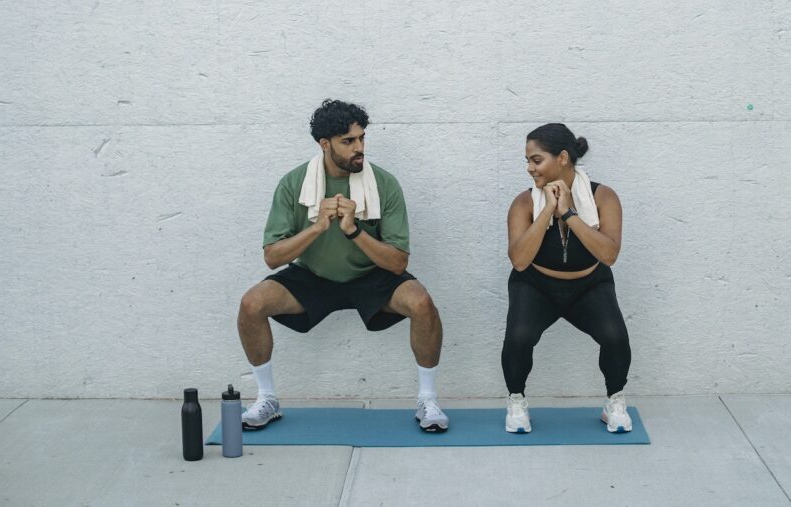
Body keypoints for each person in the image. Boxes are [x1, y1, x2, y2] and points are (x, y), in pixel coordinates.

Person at [237, 99, 449, 432]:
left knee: (422, 304)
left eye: (362, 138)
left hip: (371, 276)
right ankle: (267, 399)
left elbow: (397, 262)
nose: (359, 148)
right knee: (252, 304)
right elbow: (273, 256)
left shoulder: (384, 183)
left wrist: (352, 230)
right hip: (313, 276)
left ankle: (428, 400)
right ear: (325, 144)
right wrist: (318, 227)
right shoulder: (293, 184)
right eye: (348, 141)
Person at [501, 123, 632, 433]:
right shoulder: (523, 203)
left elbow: (609, 255)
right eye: (528, 161)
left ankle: (614, 400)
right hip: (535, 284)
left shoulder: (604, 197)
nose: (530, 168)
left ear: (562, 158)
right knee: (519, 338)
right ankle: (516, 400)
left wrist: (570, 213)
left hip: (589, 283)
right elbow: (519, 261)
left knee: (615, 338)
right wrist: (547, 210)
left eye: (536, 160)